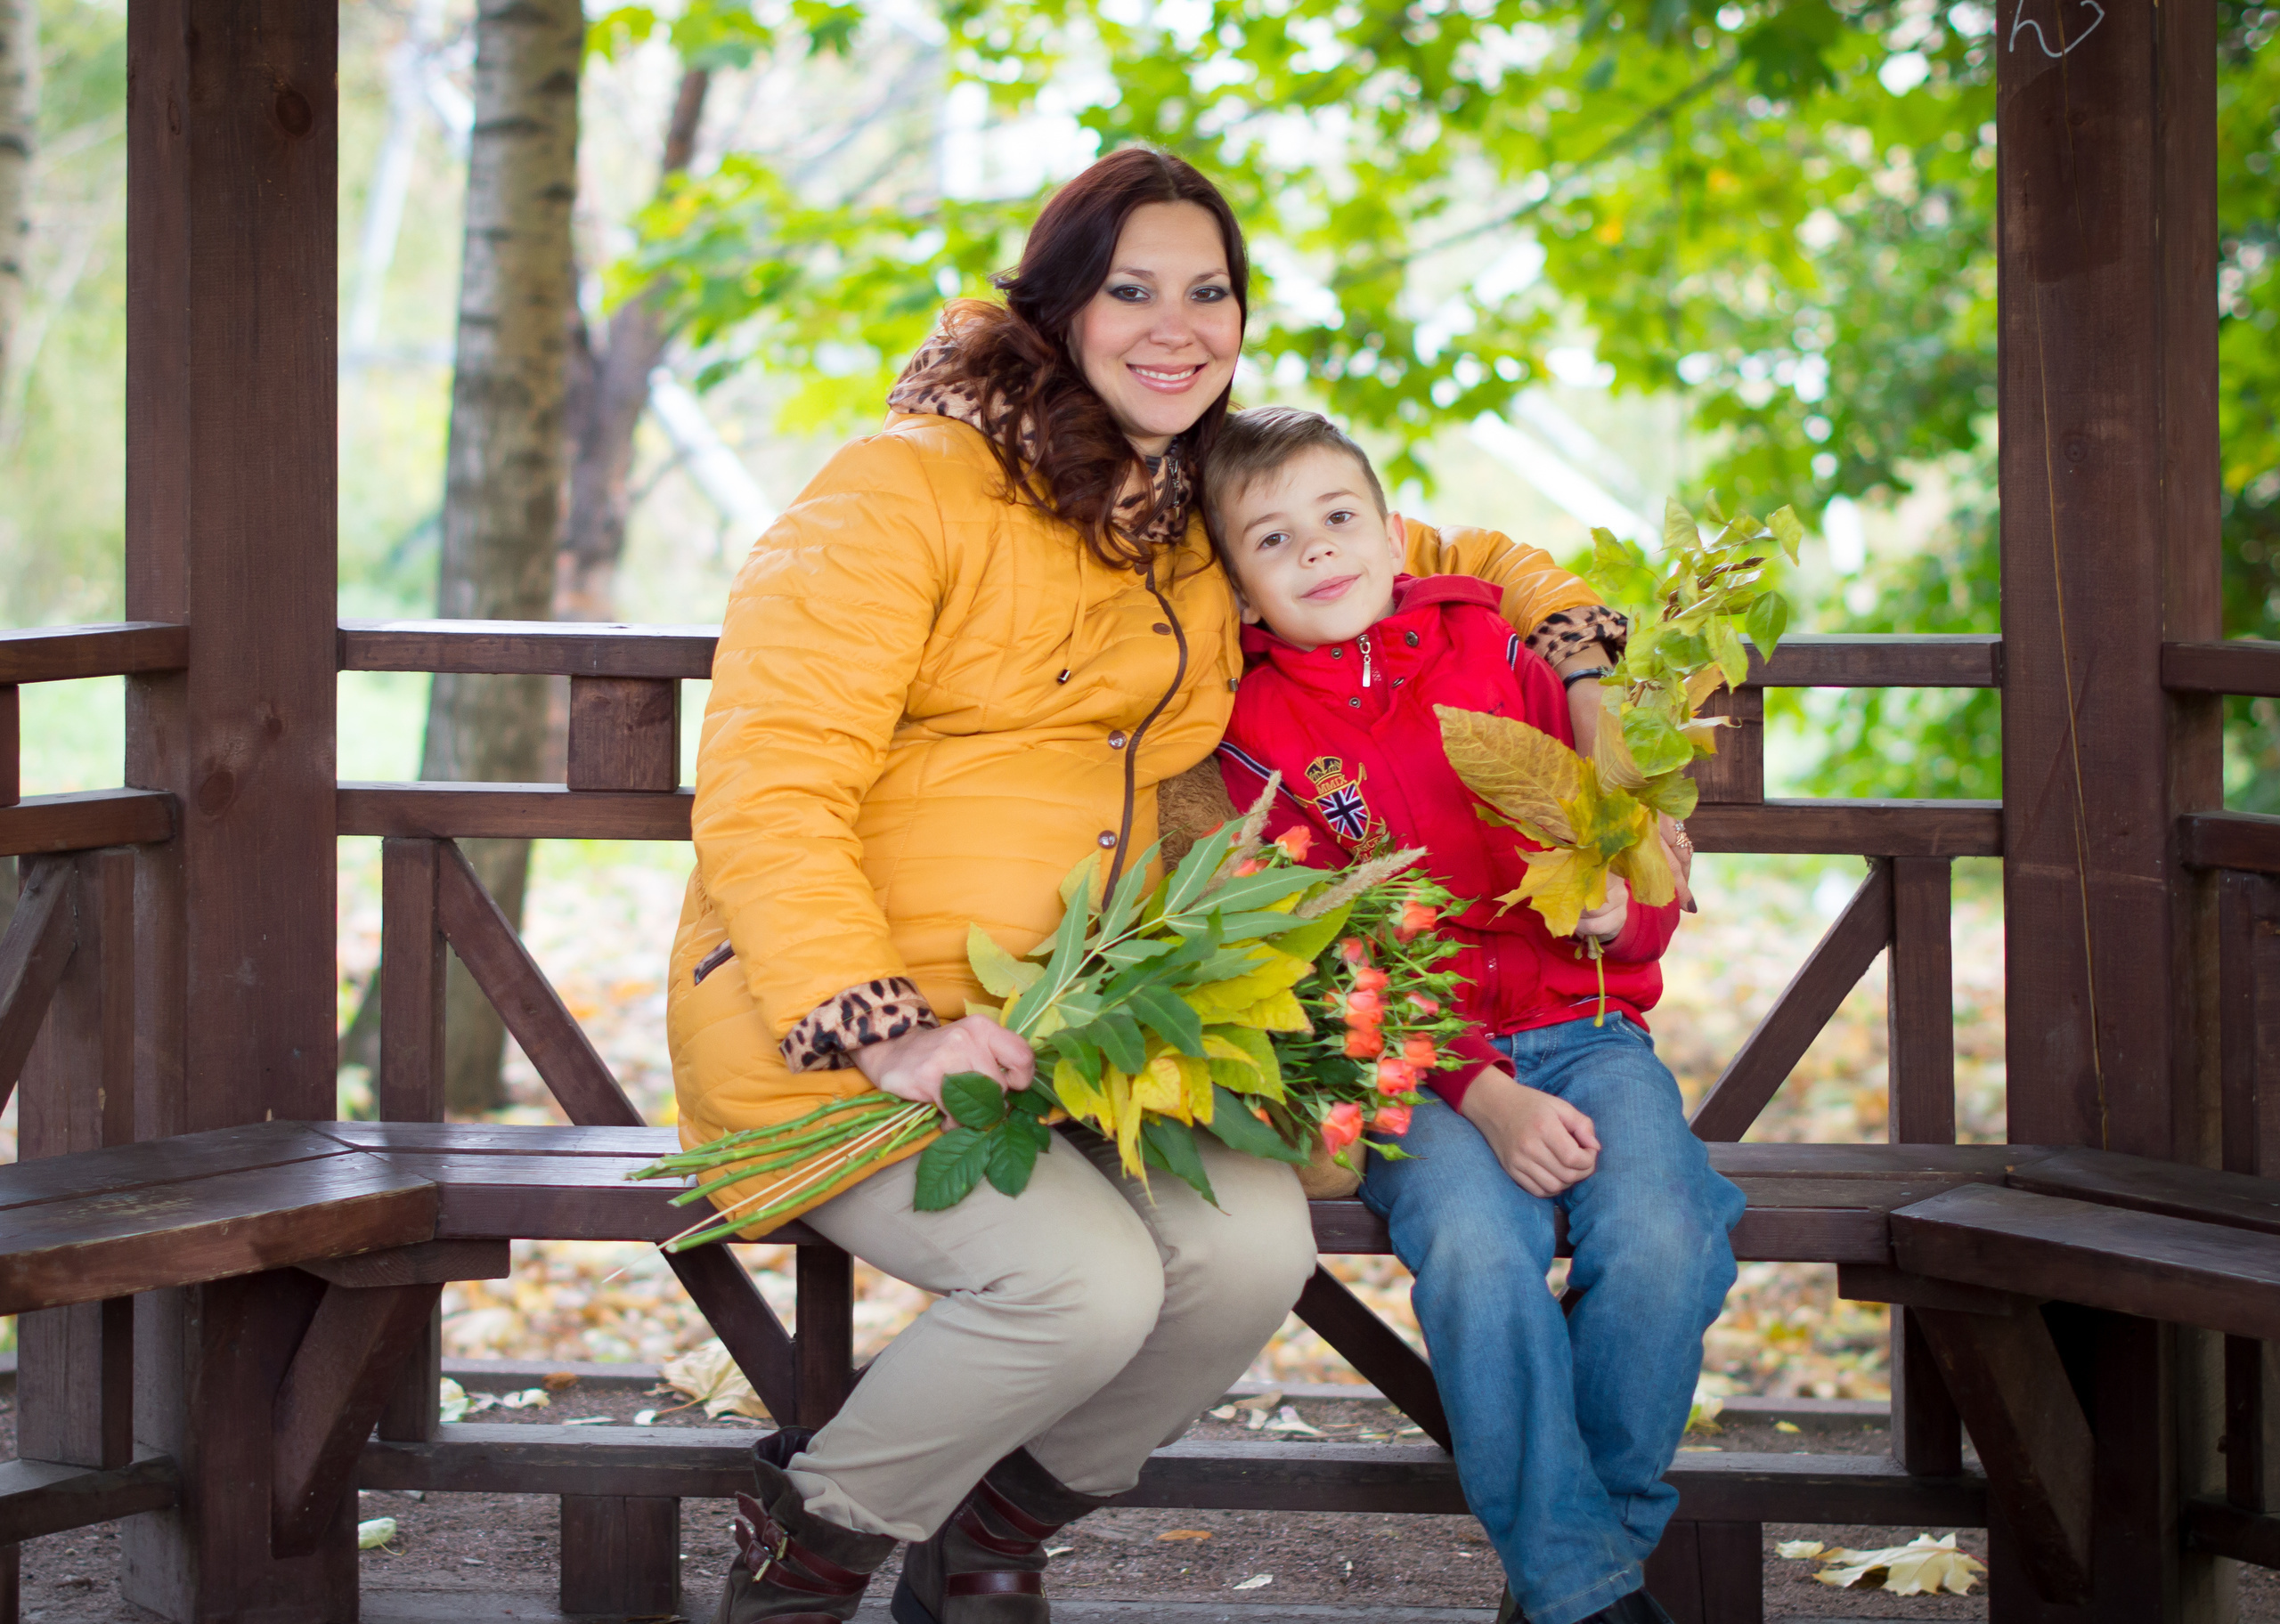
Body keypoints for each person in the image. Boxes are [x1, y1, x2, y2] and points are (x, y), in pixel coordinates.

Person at [669, 147, 1617, 1624]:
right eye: (1133, 292)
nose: (1178, 327)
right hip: (849, 1044)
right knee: (1083, 1286)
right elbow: (767, 784)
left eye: (1211, 292)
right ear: (1054, 307)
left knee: (1249, 1255)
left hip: (1088, 1035)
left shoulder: (1198, 510)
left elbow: (1435, 550)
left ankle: (989, 1535)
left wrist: (1571, 628)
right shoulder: (897, 490)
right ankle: (811, 1549)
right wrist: (881, 1024)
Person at [1208, 407, 1743, 1624]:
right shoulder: (1255, 735)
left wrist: (1626, 915)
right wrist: (1484, 1095)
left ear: (1394, 531)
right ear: (1239, 588)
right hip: (1419, 1070)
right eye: (1274, 540)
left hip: (1592, 1029)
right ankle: (1593, 1591)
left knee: (1668, 1237)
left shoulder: (1504, 656)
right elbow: (1336, 952)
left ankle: (1569, 1576)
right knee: (1479, 1254)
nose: (1319, 552)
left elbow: (1635, 851)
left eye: (1341, 519)